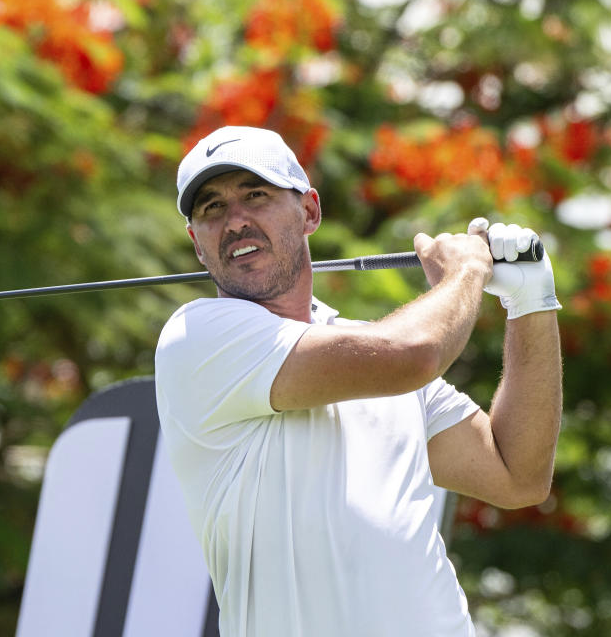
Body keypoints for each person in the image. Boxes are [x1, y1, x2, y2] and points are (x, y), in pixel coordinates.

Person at [153, 126, 563, 636]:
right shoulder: (199, 338)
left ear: (309, 211)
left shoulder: (366, 349)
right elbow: (414, 353)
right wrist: (465, 272)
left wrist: (532, 304)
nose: (235, 220)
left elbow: (517, 475)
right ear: (197, 242)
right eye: (211, 208)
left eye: (255, 195)